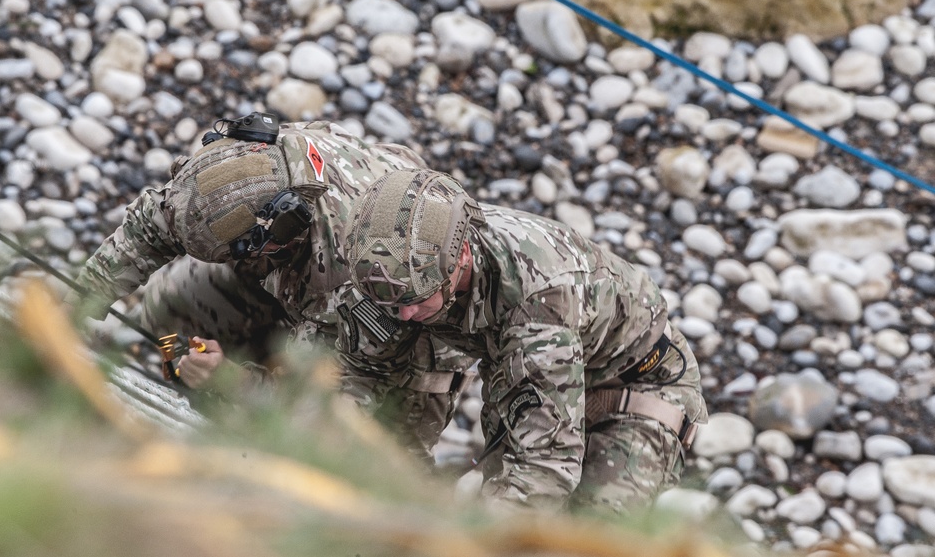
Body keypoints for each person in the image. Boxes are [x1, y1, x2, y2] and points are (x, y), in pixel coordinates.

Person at [74, 113, 472, 451]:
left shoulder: (349, 278)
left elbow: (320, 395)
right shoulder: (246, 167)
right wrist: (84, 295)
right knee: (174, 302)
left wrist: (229, 380)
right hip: (299, 269)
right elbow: (153, 225)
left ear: (274, 236)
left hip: (405, 330)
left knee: (333, 446)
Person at [330, 168, 708, 513]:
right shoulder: (388, 271)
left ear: (459, 257)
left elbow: (545, 464)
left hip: (633, 385)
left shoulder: (538, 304)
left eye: (414, 301)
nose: (404, 315)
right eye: (388, 302)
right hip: (525, 372)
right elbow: (364, 371)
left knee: (590, 533)